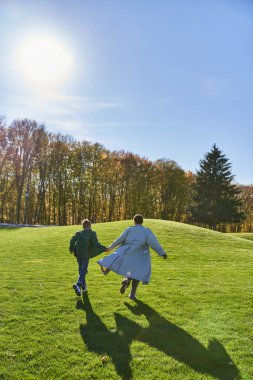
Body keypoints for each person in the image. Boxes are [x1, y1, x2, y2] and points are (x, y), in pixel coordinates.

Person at [98, 214, 168, 300]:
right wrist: (162, 253)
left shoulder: (129, 229)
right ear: (142, 222)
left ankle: (127, 279)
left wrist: (110, 248)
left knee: (129, 269)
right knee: (137, 272)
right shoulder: (146, 231)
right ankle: (132, 294)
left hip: (127, 251)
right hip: (140, 253)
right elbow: (154, 242)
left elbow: (119, 239)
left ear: (134, 221)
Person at [69, 219, 107, 296]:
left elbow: (72, 240)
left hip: (78, 253)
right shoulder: (92, 233)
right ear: (90, 226)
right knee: (84, 269)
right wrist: (104, 248)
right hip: (85, 254)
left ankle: (84, 287)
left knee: (81, 269)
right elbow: (96, 244)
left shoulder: (79, 233)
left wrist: (71, 249)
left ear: (83, 226)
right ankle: (79, 283)